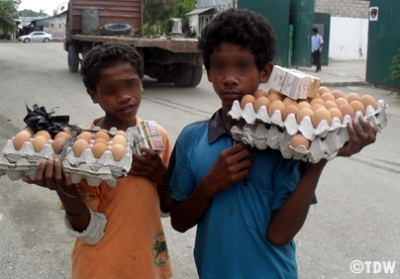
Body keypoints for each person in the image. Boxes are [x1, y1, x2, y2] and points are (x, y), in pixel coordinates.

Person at [166, 8, 377, 279]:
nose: (229, 77)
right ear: (207, 71)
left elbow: (279, 235)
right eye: (219, 65)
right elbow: (179, 221)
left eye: (242, 66)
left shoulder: (285, 143)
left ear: (265, 72)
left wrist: (320, 157)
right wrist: (210, 185)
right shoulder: (192, 139)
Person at [22, 42, 173, 279]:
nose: (124, 96)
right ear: (93, 94)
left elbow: (167, 208)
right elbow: (89, 231)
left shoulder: (156, 137)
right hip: (98, 270)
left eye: (131, 84)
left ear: (141, 83)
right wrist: (63, 186)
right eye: (111, 89)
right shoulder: (81, 151)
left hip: (148, 267)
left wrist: (162, 177)